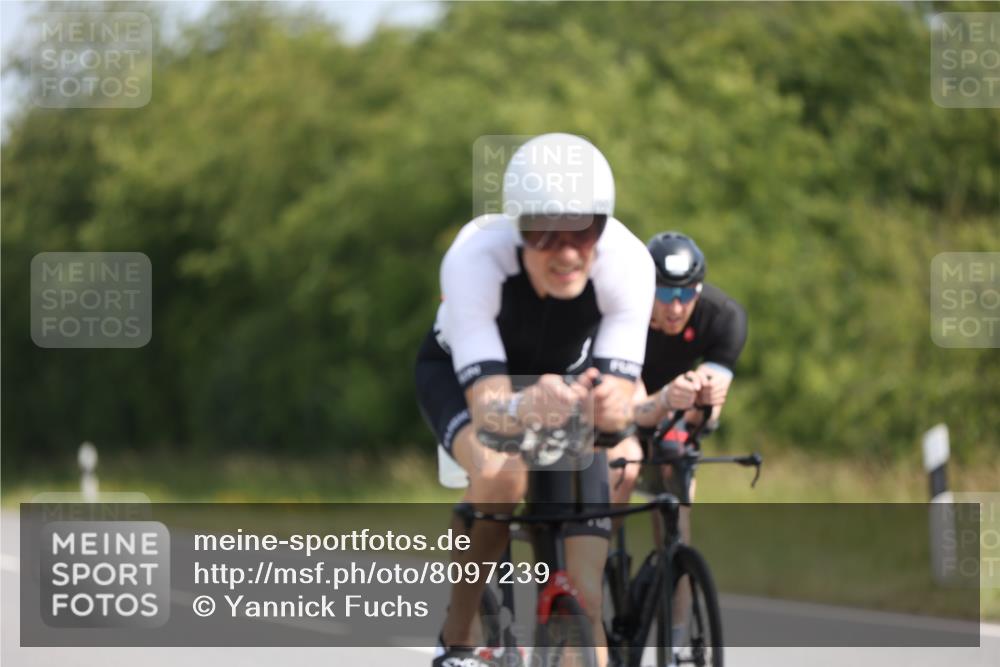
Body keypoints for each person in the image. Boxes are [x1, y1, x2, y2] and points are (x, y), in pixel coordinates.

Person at [414, 133, 654, 667]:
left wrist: (600, 408)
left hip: (564, 393)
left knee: (586, 598)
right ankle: (459, 636)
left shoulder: (629, 263)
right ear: (517, 227)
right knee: (501, 478)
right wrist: (530, 407)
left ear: (604, 225)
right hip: (464, 380)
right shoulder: (475, 258)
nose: (566, 252)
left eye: (584, 230)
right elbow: (490, 406)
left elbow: (616, 401)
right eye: (543, 232)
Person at [606, 231, 747, 650]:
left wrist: (705, 400)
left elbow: (708, 415)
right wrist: (666, 398)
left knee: (676, 506)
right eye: (665, 292)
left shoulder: (724, 318)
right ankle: (590, 581)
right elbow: (629, 410)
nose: (676, 305)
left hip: (673, 418)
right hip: (625, 408)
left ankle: (679, 639)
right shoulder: (623, 313)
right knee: (624, 470)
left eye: (687, 293)